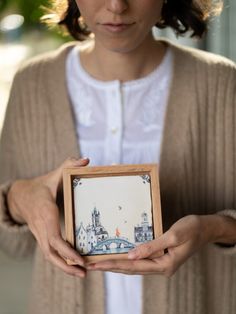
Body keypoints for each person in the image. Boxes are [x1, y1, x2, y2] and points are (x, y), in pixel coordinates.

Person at [0, 0, 236, 313]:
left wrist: (215, 228)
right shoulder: (32, 83)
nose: (116, 5)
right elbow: (13, 245)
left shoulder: (222, 83)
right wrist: (18, 197)